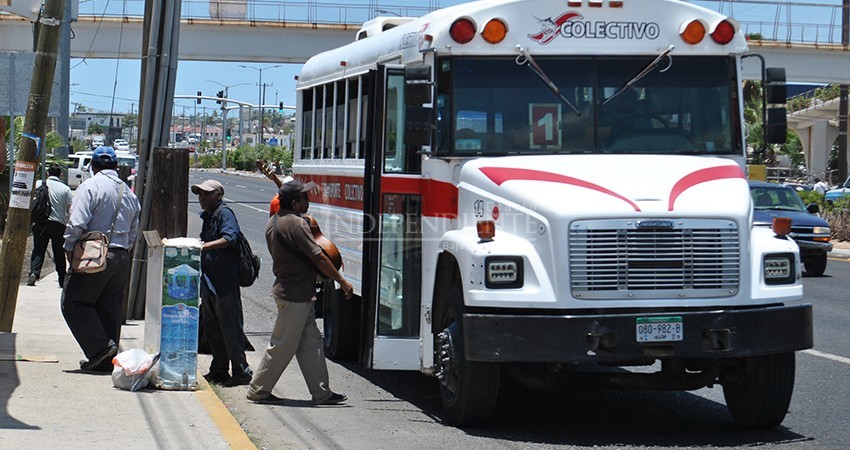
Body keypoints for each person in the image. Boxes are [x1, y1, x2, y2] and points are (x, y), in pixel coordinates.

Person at [246, 179, 353, 405]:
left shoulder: (273, 221)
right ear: (295, 203)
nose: (308, 201)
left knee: (311, 343)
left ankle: (321, 392)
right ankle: (258, 390)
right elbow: (318, 257)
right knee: (283, 345)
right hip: (294, 295)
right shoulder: (296, 224)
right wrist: (341, 280)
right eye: (305, 198)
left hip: (297, 291)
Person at [62, 146, 141, 372]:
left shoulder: (90, 186)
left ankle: (99, 348)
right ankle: (106, 361)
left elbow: (77, 222)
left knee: (73, 302)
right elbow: (134, 229)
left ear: (93, 167)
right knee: (110, 308)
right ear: (116, 166)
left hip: (94, 254)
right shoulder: (129, 193)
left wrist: (69, 246)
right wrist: (123, 249)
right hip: (121, 255)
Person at [192, 179, 253, 387]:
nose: (201, 198)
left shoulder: (224, 214)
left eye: (206, 194)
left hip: (224, 283)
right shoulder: (208, 216)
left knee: (230, 329)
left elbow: (230, 237)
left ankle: (241, 372)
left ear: (218, 195)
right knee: (213, 329)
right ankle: (219, 370)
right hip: (209, 282)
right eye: (200, 194)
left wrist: (205, 246)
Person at [28, 164, 73, 287]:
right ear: (60, 175)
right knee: (59, 252)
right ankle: (62, 279)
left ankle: (34, 273)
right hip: (58, 224)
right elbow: (70, 209)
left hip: (40, 222)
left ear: (48, 173)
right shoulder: (65, 189)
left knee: (38, 249)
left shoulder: (38, 184)